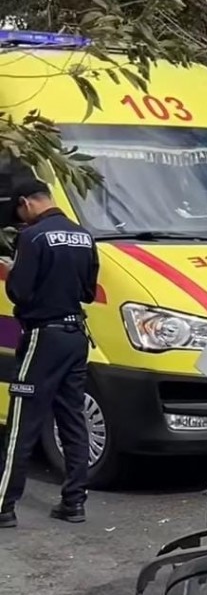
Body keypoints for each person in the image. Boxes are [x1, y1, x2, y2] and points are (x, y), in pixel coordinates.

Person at [0, 178, 98, 528]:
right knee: (72, 420)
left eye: (20, 211)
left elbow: (20, 293)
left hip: (44, 336)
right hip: (75, 337)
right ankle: (74, 503)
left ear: (27, 202)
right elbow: (88, 291)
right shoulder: (84, 236)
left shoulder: (32, 237)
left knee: (21, 424)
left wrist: (13, 271)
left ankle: (3, 506)